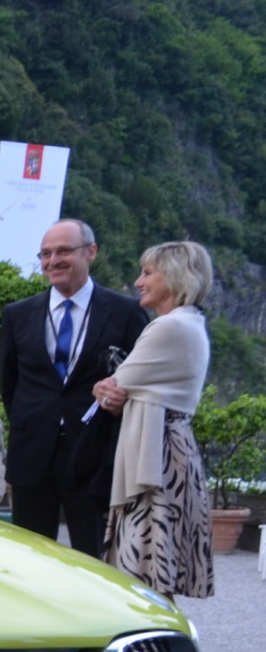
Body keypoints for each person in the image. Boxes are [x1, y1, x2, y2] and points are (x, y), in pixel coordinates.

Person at [0, 219, 148, 557]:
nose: (53, 261)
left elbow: (142, 381)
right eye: (46, 254)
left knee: (95, 558)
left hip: (95, 456)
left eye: (63, 251)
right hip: (32, 454)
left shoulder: (125, 313)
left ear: (90, 252)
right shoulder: (18, 314)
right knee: (29, 558)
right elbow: (10, 384)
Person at [94, 240, 216, 598]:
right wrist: (110, 392)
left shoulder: (169, 327)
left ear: (176, 277)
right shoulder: (188, 322)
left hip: (157, 455)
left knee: (145, 570)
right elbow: (117, 391)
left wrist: (106, 389)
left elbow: (117, 384)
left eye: (148, 273)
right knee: (154, 569)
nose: (138, 282)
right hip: (169, 448)